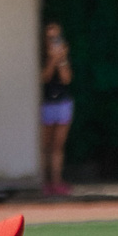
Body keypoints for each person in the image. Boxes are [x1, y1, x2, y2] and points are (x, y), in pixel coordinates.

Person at [38, 22, 73, 197]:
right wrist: (52, 60)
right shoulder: (41, 56)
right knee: (45, 145)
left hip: (62, 102)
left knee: (58, 146)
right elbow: (45, 77)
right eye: (50, 37)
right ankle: (44, 182)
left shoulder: (64, 56)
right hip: (46, 103)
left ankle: (57, 181)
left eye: (56, 37)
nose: (54, 41)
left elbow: (67, 79)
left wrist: (61, 60)